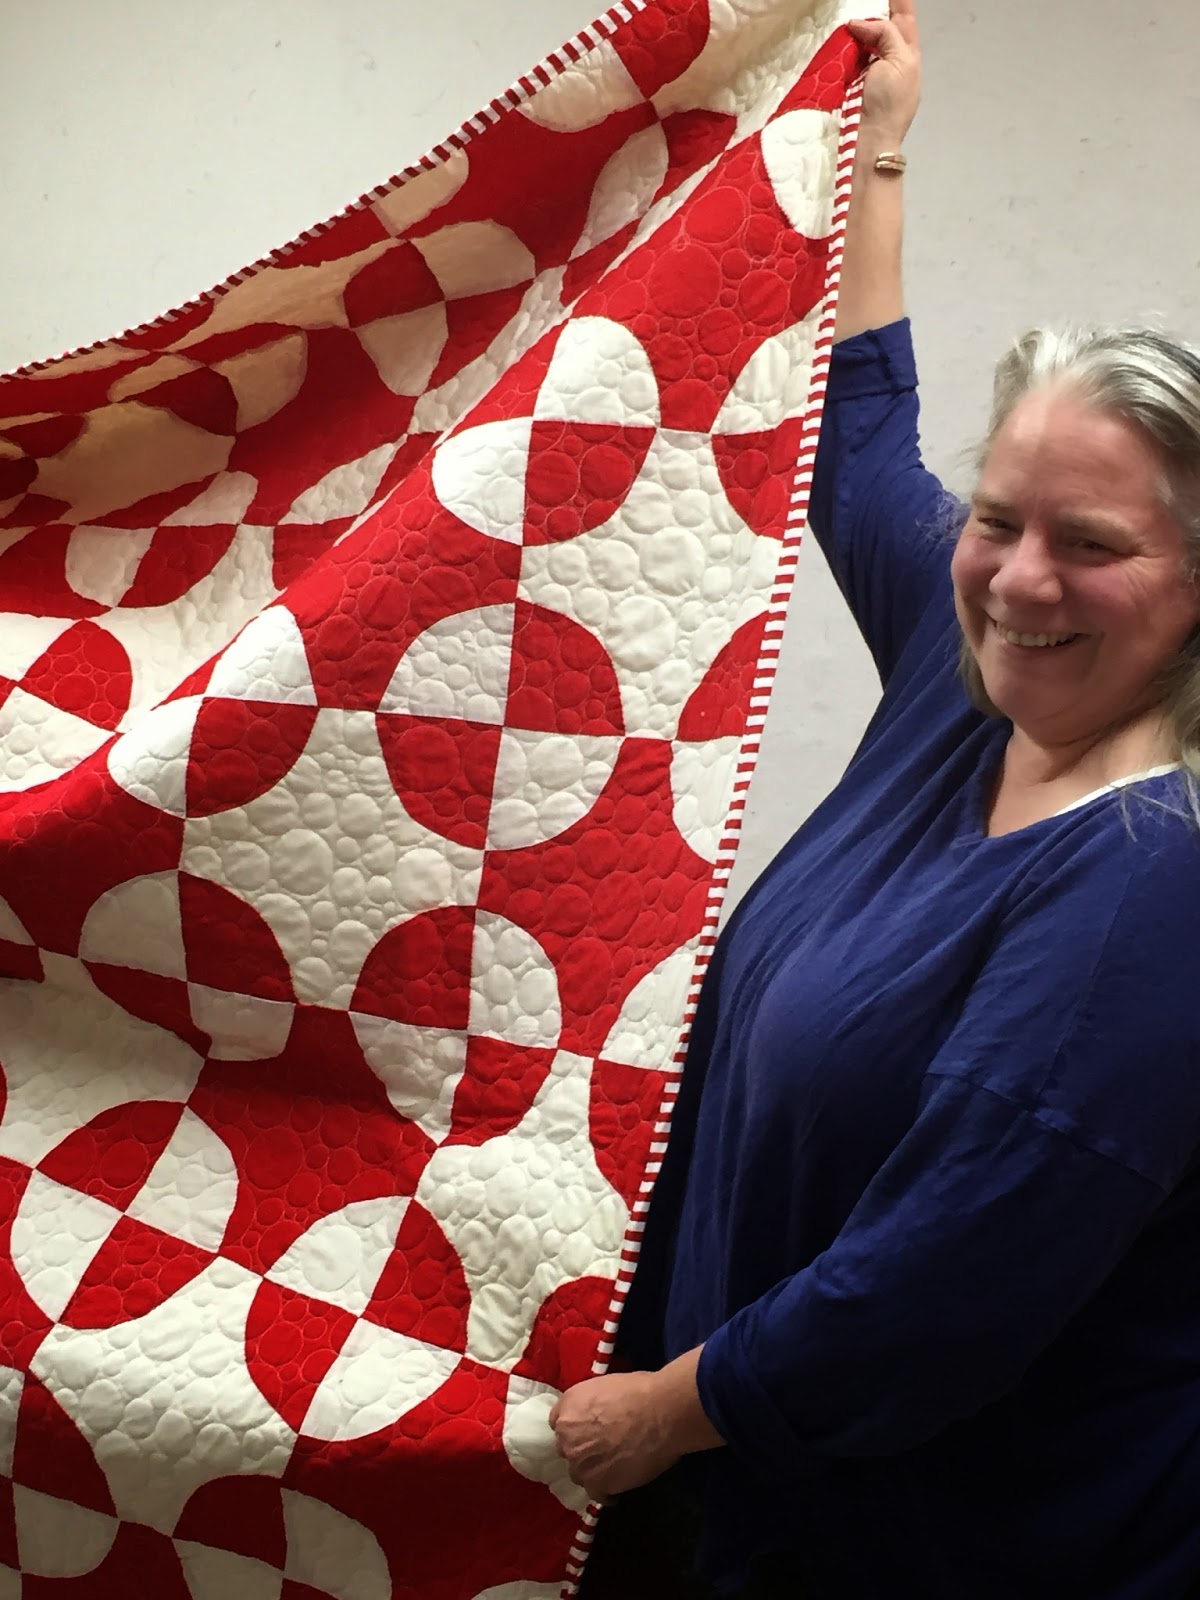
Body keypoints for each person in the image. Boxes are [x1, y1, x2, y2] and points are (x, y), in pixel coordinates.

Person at [550, 2, 1200, 1596]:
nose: (1021, 578)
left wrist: (659, 1420)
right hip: (756, 1467)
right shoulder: (965, 665)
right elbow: (854, 439)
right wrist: (881, 136)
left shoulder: (1153, 884)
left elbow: (937, 1289)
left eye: (1096, 546)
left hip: (944, 1540)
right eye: (1001, 518)